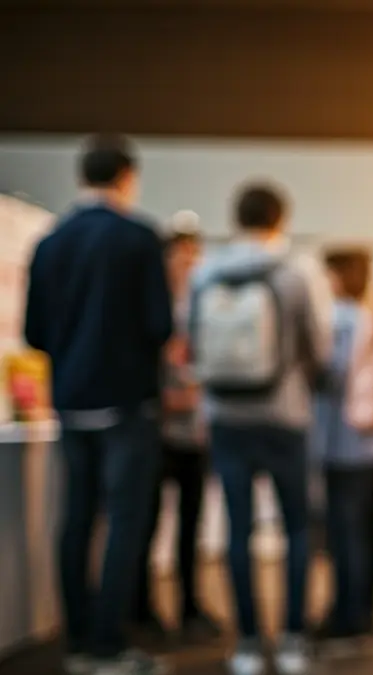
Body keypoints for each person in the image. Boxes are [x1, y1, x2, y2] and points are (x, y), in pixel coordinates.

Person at [24, 133, 173, 675]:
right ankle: (109, 644)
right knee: (125, 523)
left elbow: (35, 332)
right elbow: (159, 324)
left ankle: (80, 641)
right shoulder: (138, 238)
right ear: (127, 176)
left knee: (76, 518)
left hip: (70, 400)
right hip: (126, 402)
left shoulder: (50, 243)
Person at [189, 182, 333, 675]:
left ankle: (248, 643)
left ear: (236, 218)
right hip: (284, 416)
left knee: (238, 530)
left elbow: (192, 342)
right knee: (297, 529)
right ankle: (293, 640)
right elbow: (318, 347)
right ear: (281, 219)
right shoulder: (295, 272)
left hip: (225, 416)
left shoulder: (206, 272)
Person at [131, 216, 222, 643]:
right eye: (179, 254)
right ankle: (141, 608)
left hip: (194, 432)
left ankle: (190, 607)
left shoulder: (206, 305)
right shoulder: (150, 305)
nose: (187, 262)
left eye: (192, 254)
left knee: (191, 523)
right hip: (155, 428)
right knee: (146, 522)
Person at [312, 247, 373, 648]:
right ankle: (365, 611)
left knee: (346, 532)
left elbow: (329, 373)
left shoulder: (337, 322)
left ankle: (349, 615)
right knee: (367, 528)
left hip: (341, 441)